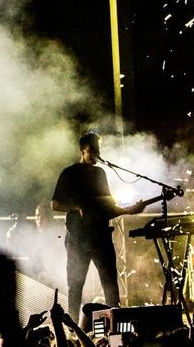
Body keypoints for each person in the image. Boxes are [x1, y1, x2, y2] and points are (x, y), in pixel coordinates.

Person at [50, 132, 146, 312]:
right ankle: (73, 332)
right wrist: (77, 207)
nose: (96, 153)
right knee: (76, 286)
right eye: (92, 149)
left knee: (111, 285)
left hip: (101, 237)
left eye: (98, 149)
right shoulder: (69, 173)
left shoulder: (100, 173)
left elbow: (109, 207)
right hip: (78, 239)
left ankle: (116, 330)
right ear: (82, 150)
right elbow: (55, 204)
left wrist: (129, 210)